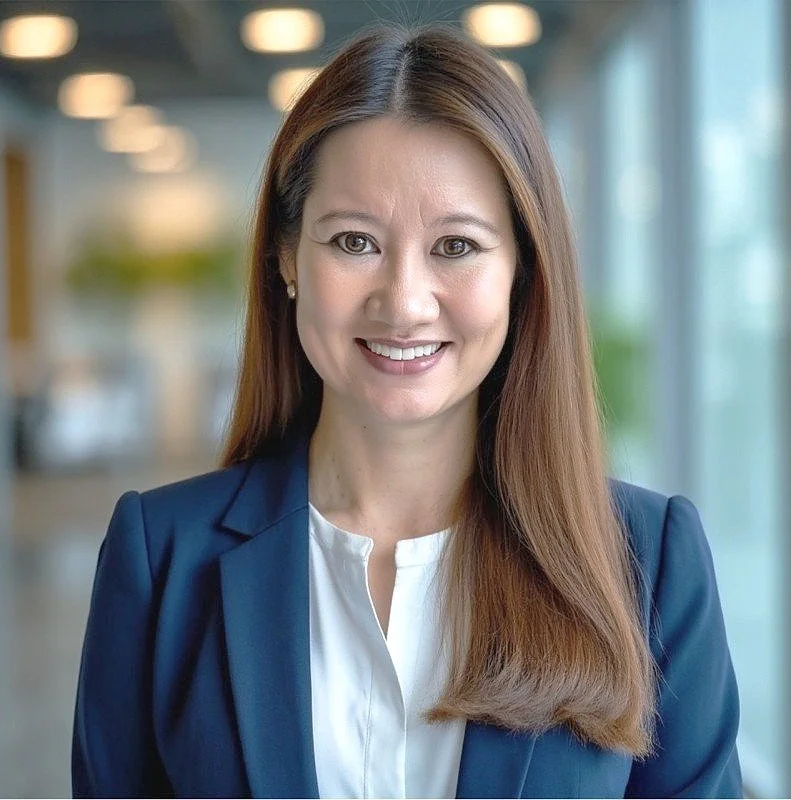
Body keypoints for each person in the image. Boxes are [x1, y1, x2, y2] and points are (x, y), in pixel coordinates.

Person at [72, 23, 742, 799]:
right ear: (286, 258)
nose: (404, 302)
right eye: (354, 242)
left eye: (456, 246)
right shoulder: (162, 557)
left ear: (522, 269)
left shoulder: (648, 561)